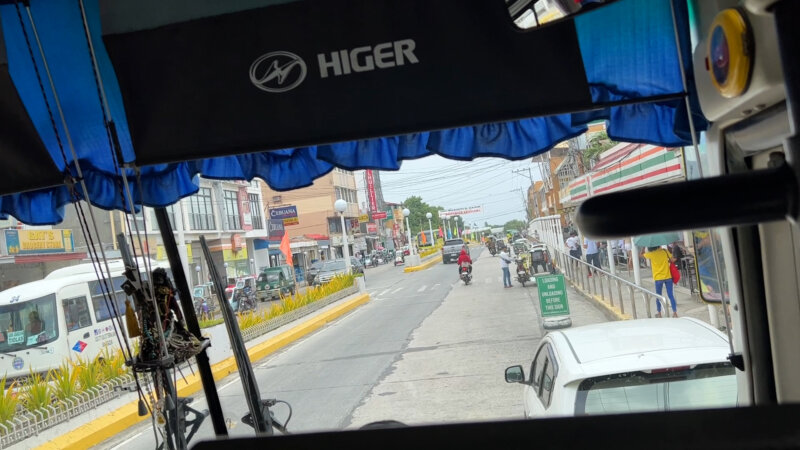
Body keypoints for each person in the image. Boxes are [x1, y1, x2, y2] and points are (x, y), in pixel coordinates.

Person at [643, 246, 678, 318]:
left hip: (658, 278)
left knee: (658, 296)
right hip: (668, 277)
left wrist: (643, 248)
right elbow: (672, 260)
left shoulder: (651, 254)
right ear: (659, 246)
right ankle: (675, 312)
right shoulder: (665, 251)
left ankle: (659, 313)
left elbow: (641, 255)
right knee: (670, 295)